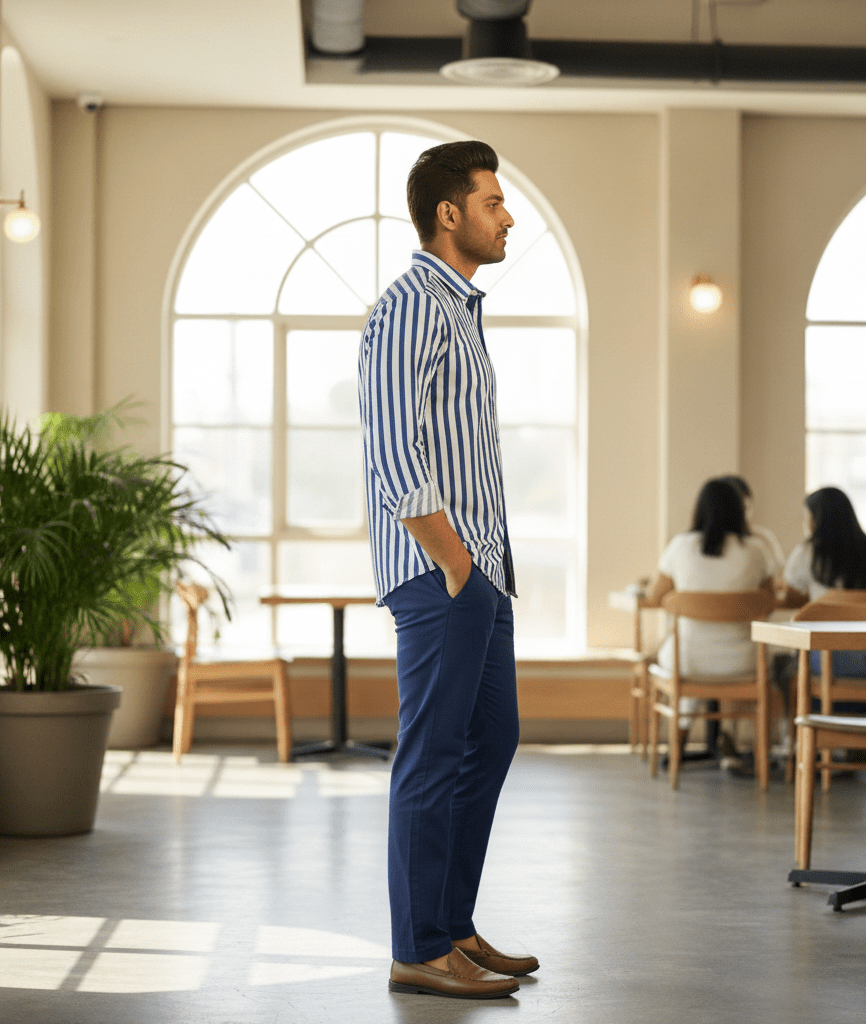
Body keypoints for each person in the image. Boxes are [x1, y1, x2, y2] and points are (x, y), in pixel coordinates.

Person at [357, 140, 536, 1000]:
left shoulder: (459, 311)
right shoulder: (408, 309)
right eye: (494, 202)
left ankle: (453, 927)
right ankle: (418, 947)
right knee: (431, 755)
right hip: (442, 574)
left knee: (491, 741)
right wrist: (456, 562)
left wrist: (487, 568)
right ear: (449, 214)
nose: (508, 217)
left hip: (479, 573)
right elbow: (396, 455)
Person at [649, 478, 774, 731]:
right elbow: (768, 603)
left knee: (683, 646)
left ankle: (680, 734)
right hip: (744, 661)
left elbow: (655, 596)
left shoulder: (681, 546)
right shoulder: (757, 550)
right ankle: (730, 733)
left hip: (687, 660)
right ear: (740, 509)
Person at [781, 485, 866, 677]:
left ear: (814, 522)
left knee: (791, 658)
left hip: (828, 662)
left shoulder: (808, 552)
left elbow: (791, 599)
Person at [717, 474, 786, 588]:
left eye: (746, 508)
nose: (741, 515)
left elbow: (779, 577)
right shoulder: (702, 545)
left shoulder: (764, 537)